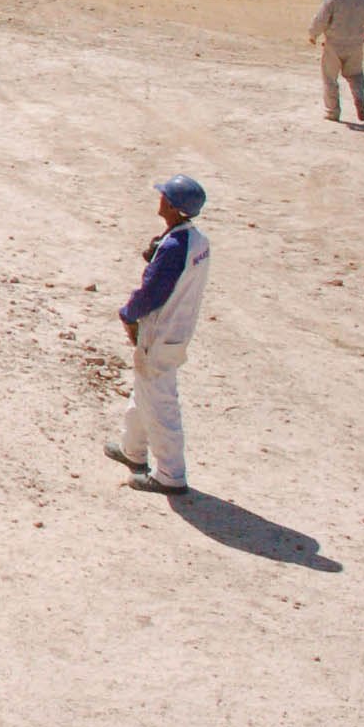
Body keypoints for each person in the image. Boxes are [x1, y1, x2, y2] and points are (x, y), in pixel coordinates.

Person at [105, 175, 213, 495]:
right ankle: (133, 450)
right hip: (177, 329)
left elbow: (151, 291)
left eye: (165, 196)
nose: (160, 199)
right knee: (145, 390)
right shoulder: (197, 241)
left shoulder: (174, 249)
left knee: (161, 400)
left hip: (160, 333)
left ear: (172, 205)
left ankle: (171, 475)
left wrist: (128, 313)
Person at [307, 0, 364, 122]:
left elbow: (320, 20)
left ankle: (332, 112)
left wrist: (313, 35)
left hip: (334, 44)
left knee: (330, 78)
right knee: (355, 75)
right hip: (355, 45)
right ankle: (359, 98)